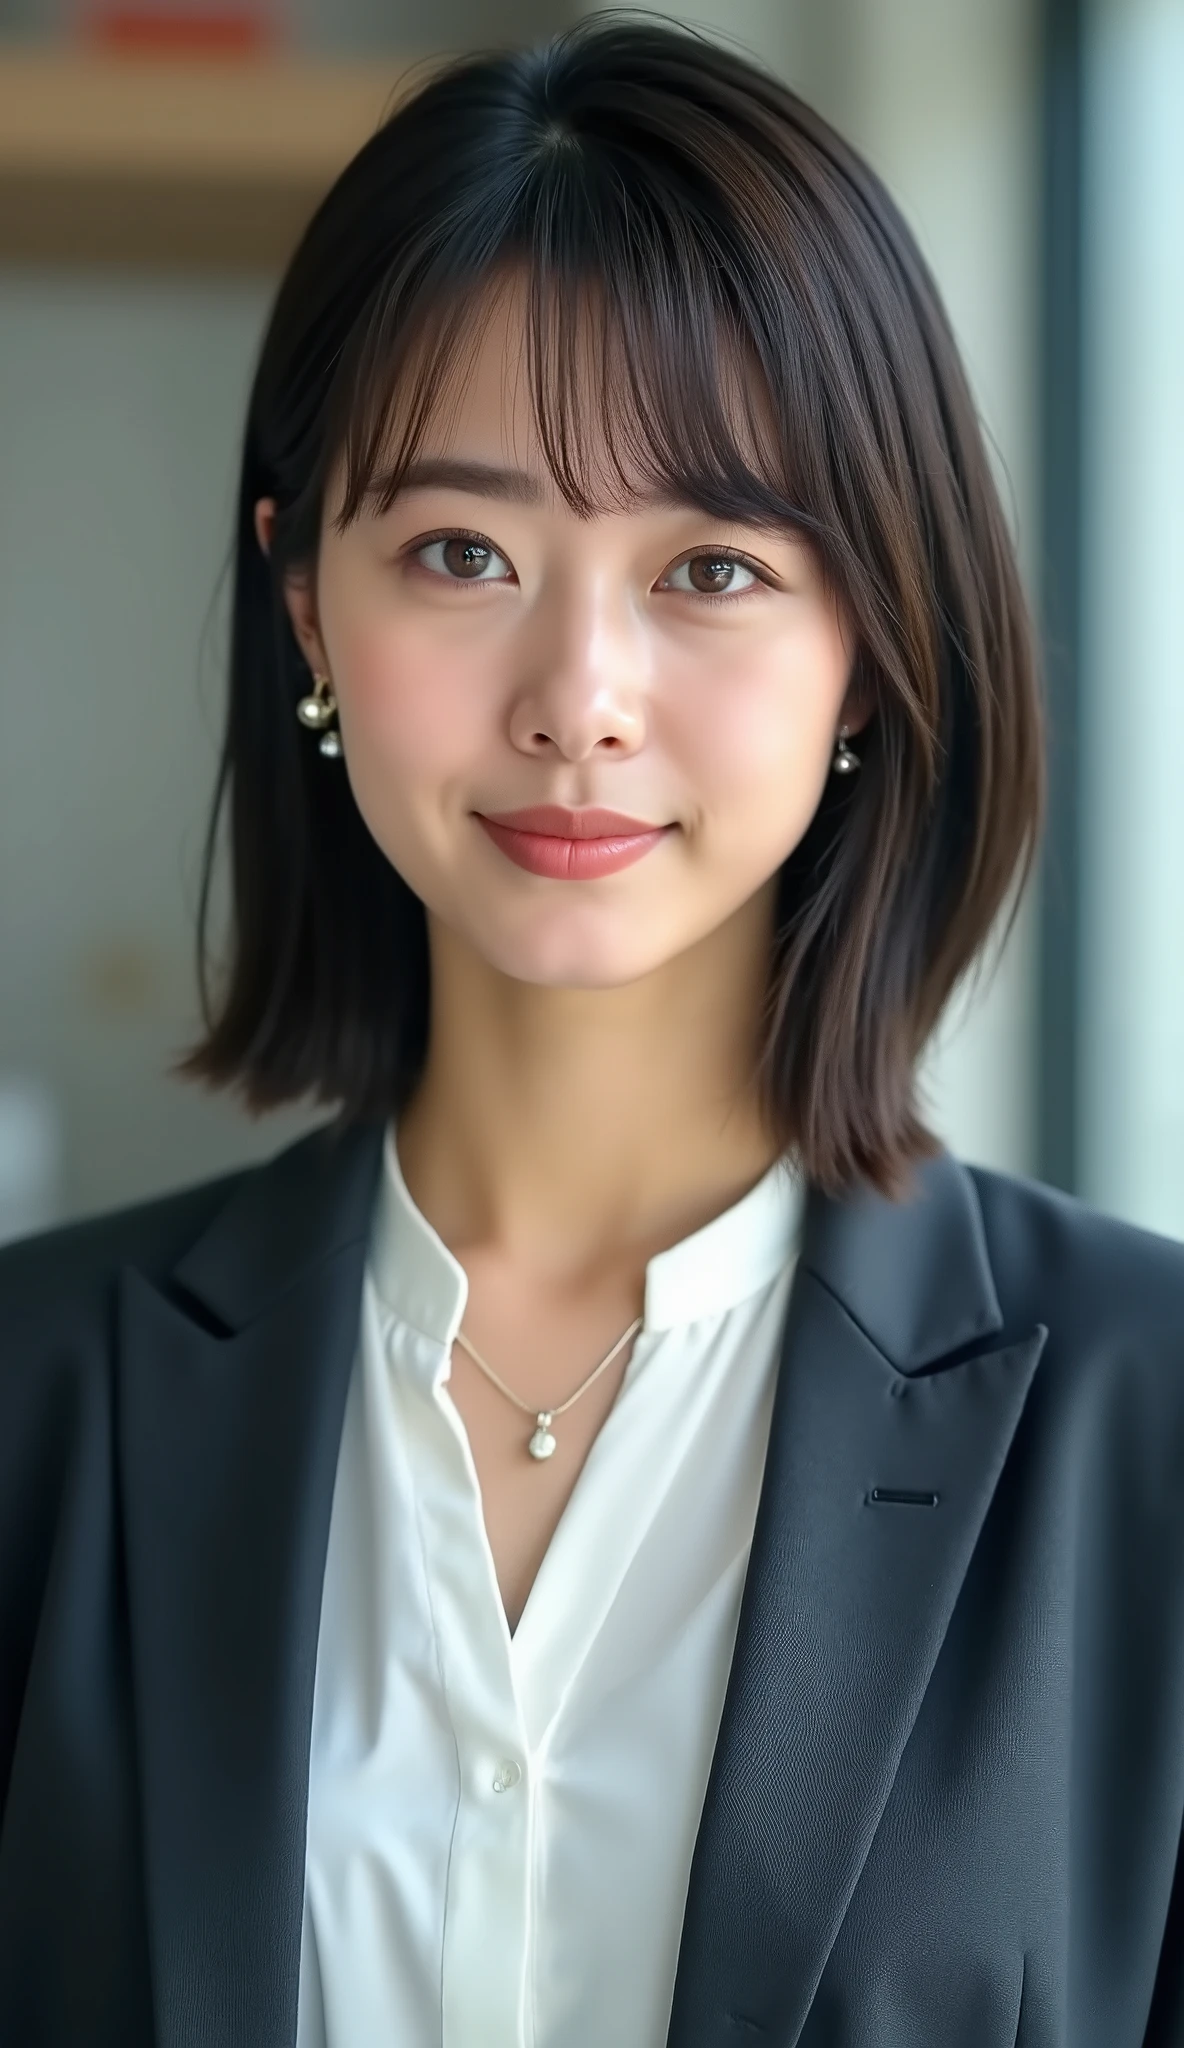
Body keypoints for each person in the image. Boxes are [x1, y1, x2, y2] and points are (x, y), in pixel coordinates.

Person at [1, 16, 1182, 2048]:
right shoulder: (33, 1406)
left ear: (869, 653)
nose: (580, 692)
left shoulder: (1146, 1431)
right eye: (462, 553)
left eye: (710, 567)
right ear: (305, 606)